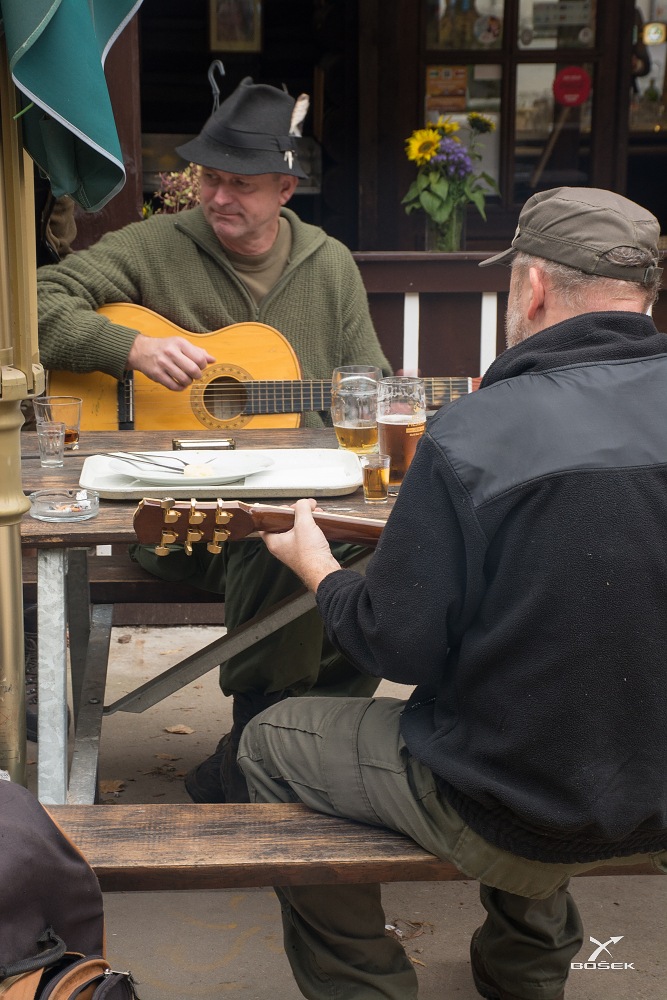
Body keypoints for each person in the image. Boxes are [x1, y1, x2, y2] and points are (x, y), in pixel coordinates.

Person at [236, 187, 667, 1000]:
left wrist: (318, 568)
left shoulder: (476, 431)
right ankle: (522, 973)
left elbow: (395, 645)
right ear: (643, 293)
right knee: (549, 687)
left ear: (531, 287)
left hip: (523, 804)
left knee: (271, 739)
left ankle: (368, 987)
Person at [36, 77, 390, 800]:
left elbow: (370, 383)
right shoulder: (154, 246)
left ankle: (291, 742)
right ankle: (262, 745)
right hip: (173, 514)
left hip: (299, 511)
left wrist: (380, 407)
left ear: (285, 189)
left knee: (381, 558)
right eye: (209, 178)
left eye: (241, 185)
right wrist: (126, 348)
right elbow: (37, 303)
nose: (218, 197)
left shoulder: (329, 265)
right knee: (278, 538)